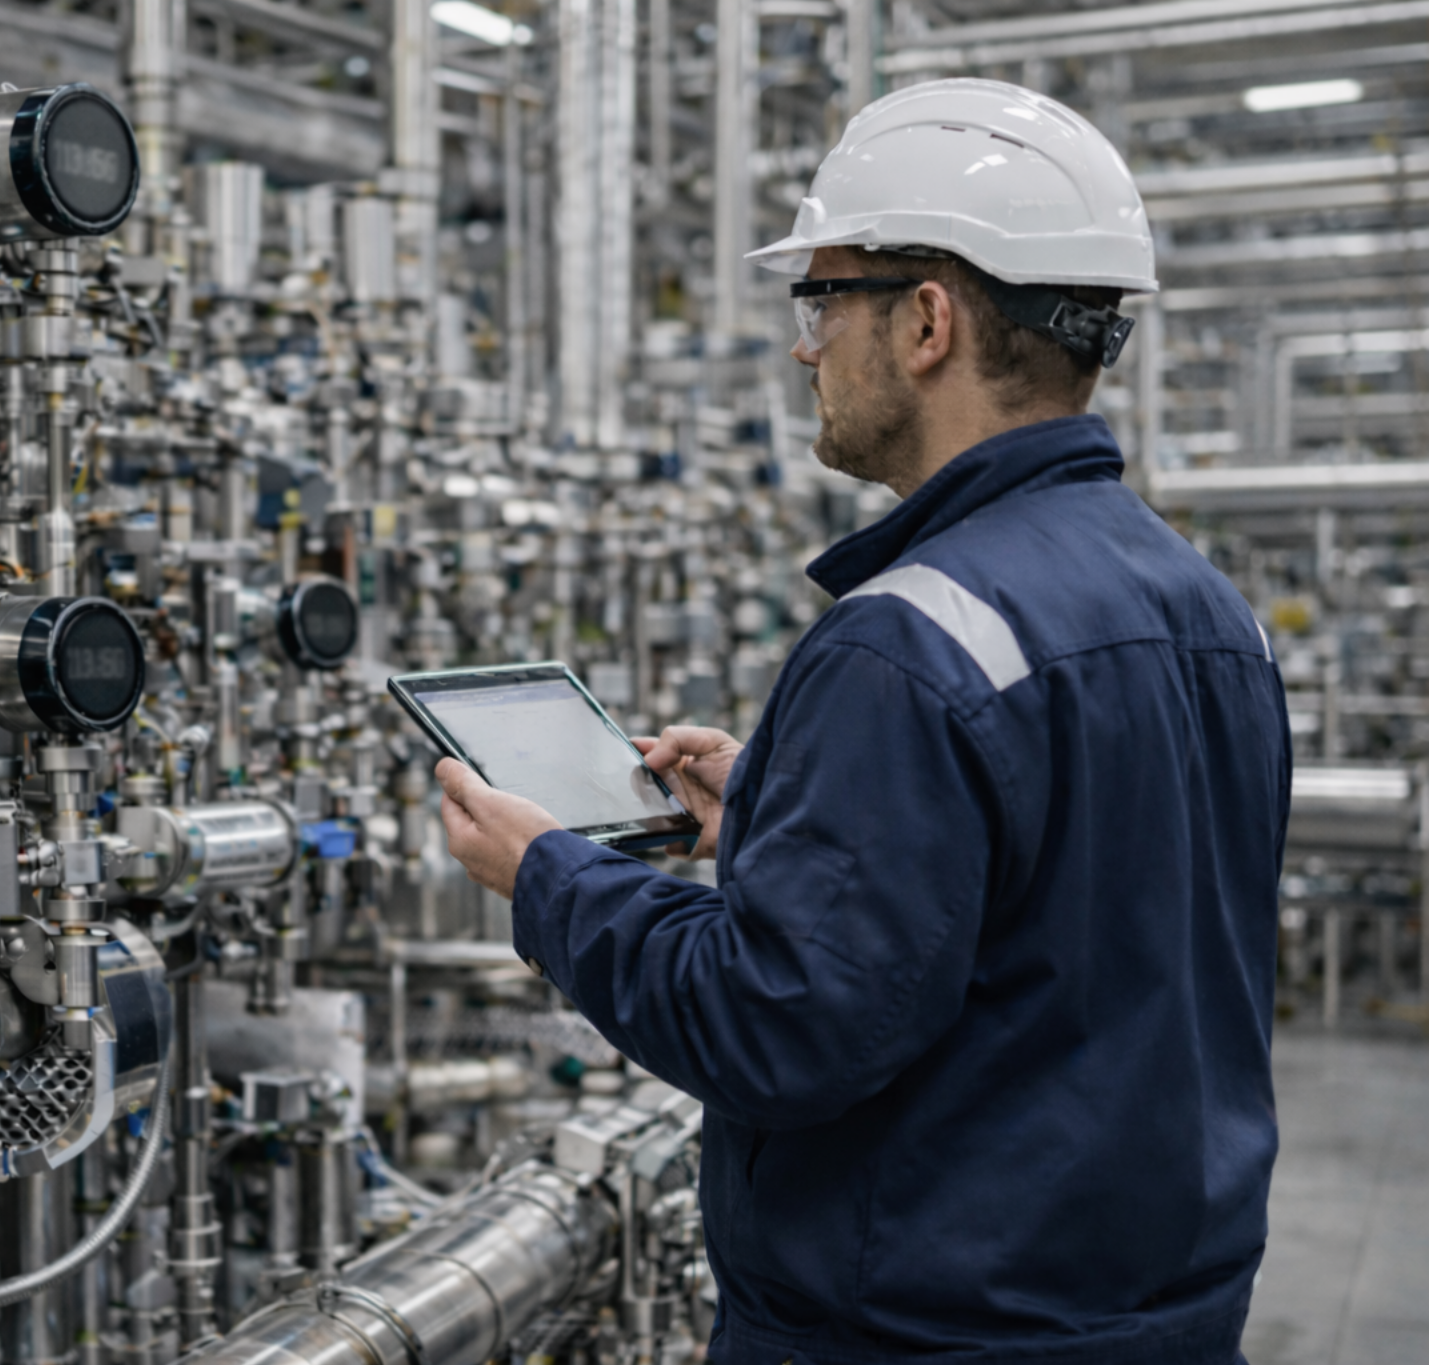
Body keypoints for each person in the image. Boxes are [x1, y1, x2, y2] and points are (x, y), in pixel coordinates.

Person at [434, 78, 1289, 1365]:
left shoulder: (909, 638)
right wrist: (778, 810)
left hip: (918, 1331)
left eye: (821, 298)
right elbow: (1065, 918)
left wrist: (547, 877)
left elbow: (775, 1029)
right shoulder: (1204, 609)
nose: (804, 345)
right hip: (1158, 1317)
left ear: (928, 320)